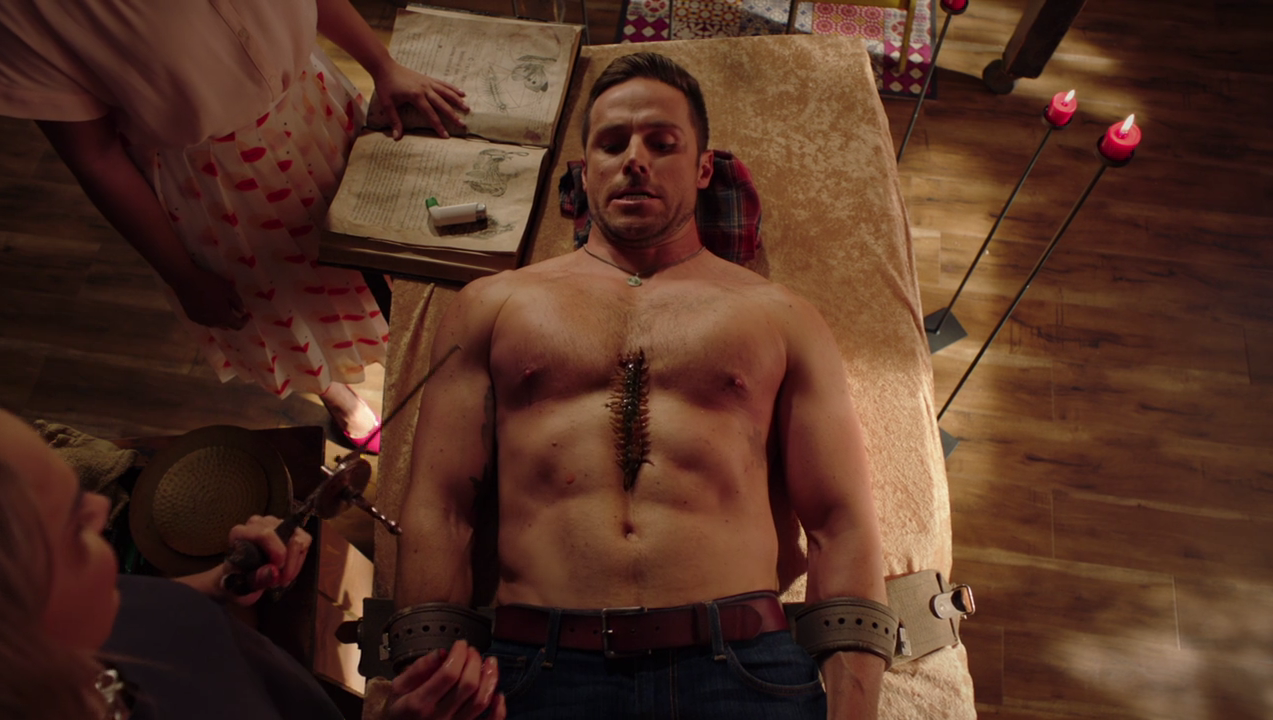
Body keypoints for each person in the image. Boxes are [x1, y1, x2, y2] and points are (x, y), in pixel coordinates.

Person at [386, 52, 890, 720]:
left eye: (662, 142)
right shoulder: (494, 305)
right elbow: (440, 506)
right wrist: (429, 671)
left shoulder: (780, 316)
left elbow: (841, 522)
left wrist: (854, 710)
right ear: (585, 170)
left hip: (740, 664)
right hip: (536, 667)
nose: (634, 160)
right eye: (612, 143)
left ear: (703, 168)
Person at [0, 0, 472, 453]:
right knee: (287, 307)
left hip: (313, 105)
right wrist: (181, 275)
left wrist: (381, 64)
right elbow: (95, 156)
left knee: (390, 268)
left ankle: (421, 363)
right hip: (218, 182)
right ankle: (335, 391)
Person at [0, 409, 333, 720]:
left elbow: (139, 605)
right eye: (75, 528)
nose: (101, 506)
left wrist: (222, 582)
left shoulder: (88, 614)